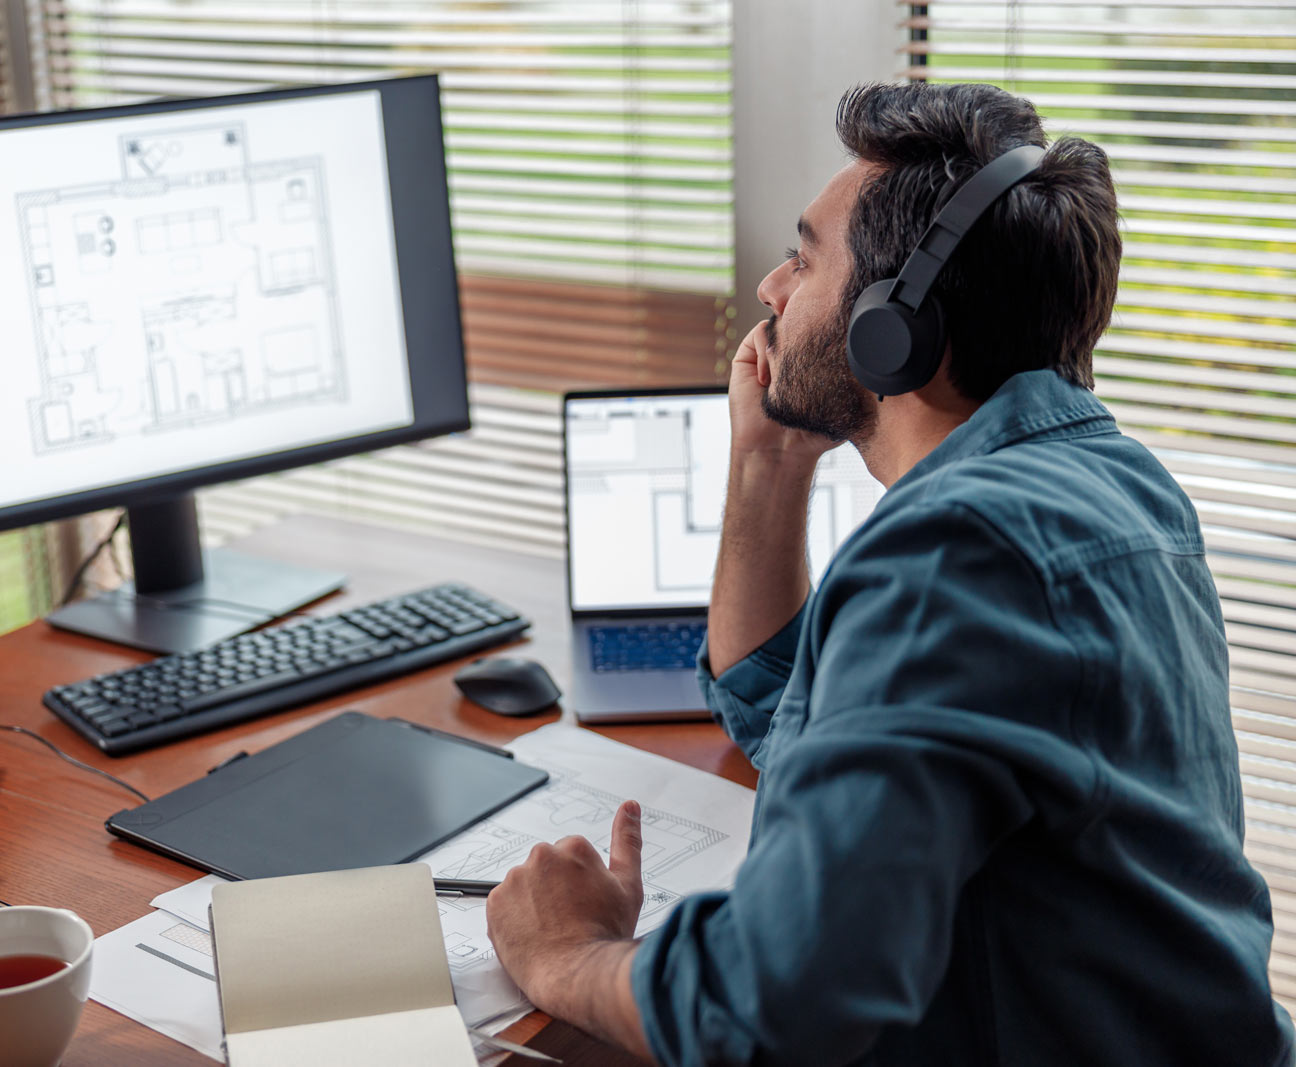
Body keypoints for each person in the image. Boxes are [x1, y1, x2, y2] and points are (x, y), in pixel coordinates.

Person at [485, 81, 1295, 1065]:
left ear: (894, 326)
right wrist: (766, 460)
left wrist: (567, 952)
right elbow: (790, 723)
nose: (769, 293)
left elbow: (772, 1002)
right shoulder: (1112, 487)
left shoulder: (958, 552)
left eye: (802, 259)